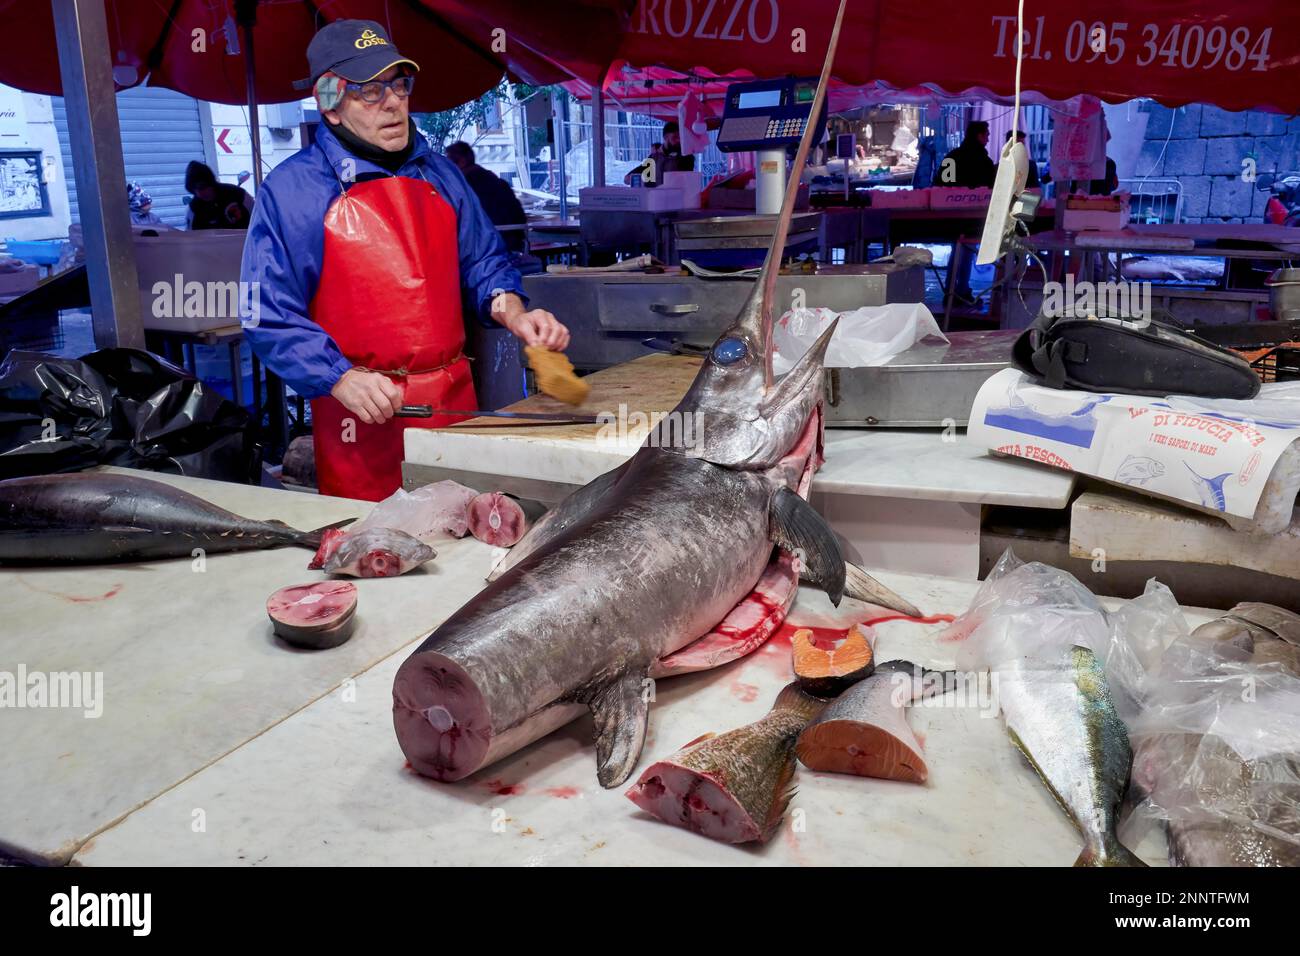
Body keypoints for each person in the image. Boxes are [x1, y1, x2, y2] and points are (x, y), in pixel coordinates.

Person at [239, 20, 569, 501]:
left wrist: (515, 312)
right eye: (370, 92)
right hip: (360, 416)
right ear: (330, 102)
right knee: (375, 560)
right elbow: (265, 311)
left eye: (399, 84)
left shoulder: (442, 175)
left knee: (467, 544)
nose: (393, 102)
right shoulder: (291, 192)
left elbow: (483, 264)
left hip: (454, 405)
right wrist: (339, 377)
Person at [445, 141, 528, 253]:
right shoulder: (494, 179)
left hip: (488, 245)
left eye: (449, 163)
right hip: (514, 241)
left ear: (462, 162)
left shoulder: (465, 186)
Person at [185, 161, 254, 229]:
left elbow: (258, 214)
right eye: (194, 190)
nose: (199, 193)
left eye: (203, 187)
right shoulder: (194, 208)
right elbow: (190, 236)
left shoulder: (237, 194)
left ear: (211, 182)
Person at [932, 121, 995, 188]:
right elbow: (990, 187)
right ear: (979, 136)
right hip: (977, 198)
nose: (988, 140)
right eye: (987, 135)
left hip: (952, 197)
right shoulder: (985, 162)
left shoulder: (951, 157)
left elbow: (941, 185)